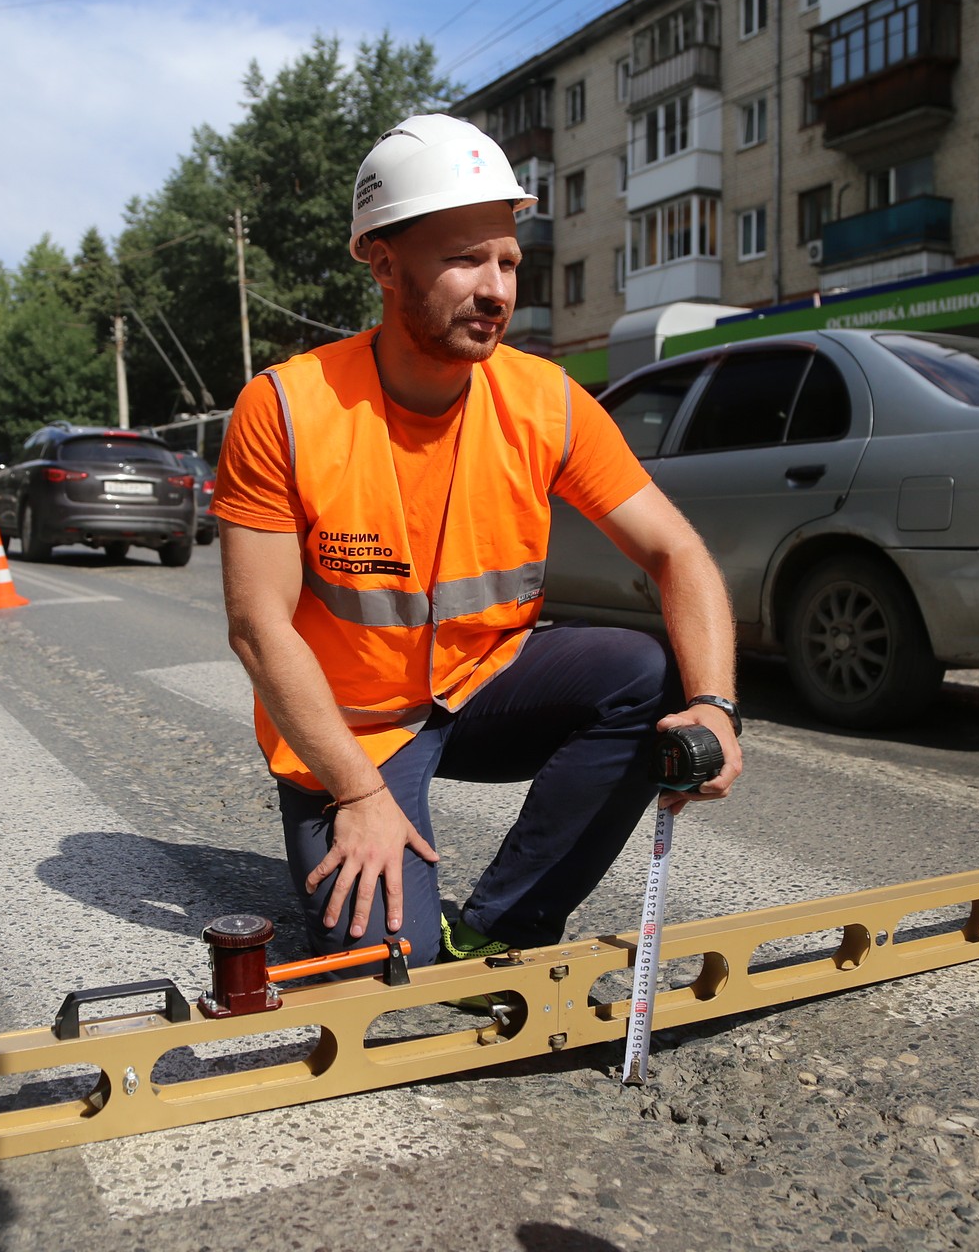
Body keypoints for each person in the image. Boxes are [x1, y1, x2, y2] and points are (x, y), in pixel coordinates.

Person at [213, 113, 743, 970]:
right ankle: (400, 898)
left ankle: (502, 924)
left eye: (506, 262)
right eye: (465, 259)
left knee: (647, 676)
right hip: (352, 731)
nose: (496, 289)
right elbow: (258, 627)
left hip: (478, 689)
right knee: (393, 971)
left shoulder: (548, 401)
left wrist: (715, 704)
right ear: (384, 263)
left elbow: (676, 553)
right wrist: (358, 791)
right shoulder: (285, 408)